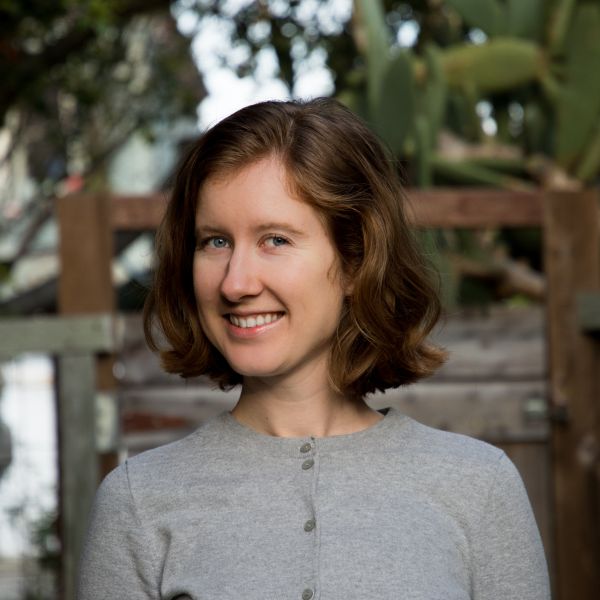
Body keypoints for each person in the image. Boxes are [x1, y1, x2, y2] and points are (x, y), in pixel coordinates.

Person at [78, 98, 551, 600]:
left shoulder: (479, 488)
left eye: (275, 240)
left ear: (355, 261)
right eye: (214, 242)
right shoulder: (137, 503)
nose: (235, 283)